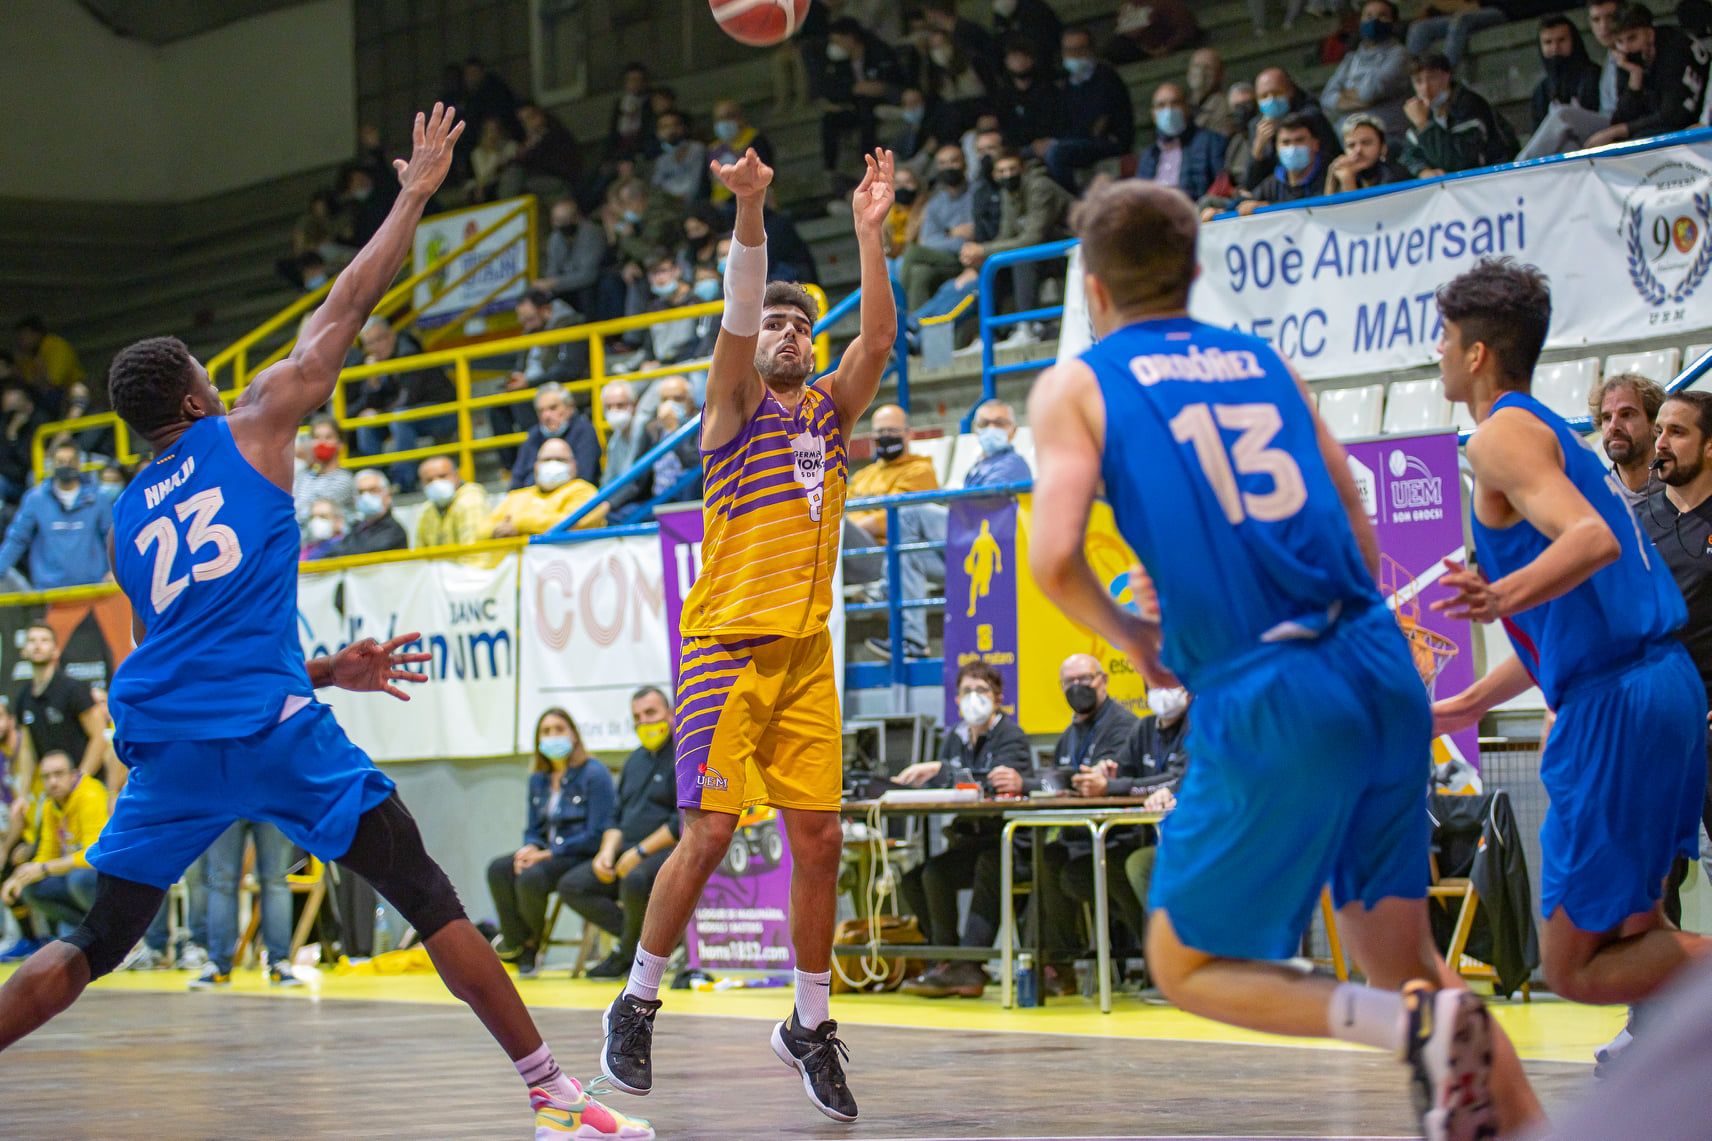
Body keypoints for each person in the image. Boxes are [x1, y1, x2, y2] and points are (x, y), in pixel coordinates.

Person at [0, 105, 650, 1141]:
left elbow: (190, 637)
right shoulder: (253, 422)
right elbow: (347, 303)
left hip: (173, 745)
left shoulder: (127, 518)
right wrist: (416, 191)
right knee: (425, 887)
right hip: (271, 731)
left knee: (99, 935)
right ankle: (551, 1093)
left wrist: (323, 665)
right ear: (198, 390)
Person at [1025, 181, 1544, 1138]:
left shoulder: (1079, 383)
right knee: (1411, 958)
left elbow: (1052, 558)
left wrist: (1140, 636)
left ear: (1091, 288)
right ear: (1193, 271)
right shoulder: (1264, 361)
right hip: (1377, 665)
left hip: (1272, 688)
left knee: (1186, 963)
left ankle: (1408, 1027)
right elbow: (1353, 514)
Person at [597, 145, 896, 1125]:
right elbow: (736, 310)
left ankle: (808, 1025)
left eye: (798, 323)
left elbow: (880, 342)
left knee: (819, 839)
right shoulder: (729, 408)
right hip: (725, 648)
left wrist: (870, 233)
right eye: (773, 319)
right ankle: (638, 999)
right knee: (713, 831)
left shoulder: (832, 410)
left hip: (805, 655)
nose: (785, 331)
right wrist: (752, 213)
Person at [1431, 259, 1712, 1028]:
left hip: (1616, 704)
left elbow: (1591, 542)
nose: (1440, 353)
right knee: (1637, 934)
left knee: (1574, 965)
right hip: (1657, 683)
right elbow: (1560, 626)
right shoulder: (1547, 433)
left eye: (1447, 338)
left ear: (1478, 353)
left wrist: (1497, 595)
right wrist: (1454, 705)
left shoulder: (1499, 440)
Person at [896, 662, 1039, 999]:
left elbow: (997, 781)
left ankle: (970, 964)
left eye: (982, 690)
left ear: (999, 697)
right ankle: (945, 961)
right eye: (967, 691)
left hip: (1009, 841)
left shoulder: (1011, 737)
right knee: (928, 874)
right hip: (970, 839)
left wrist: (941, 770)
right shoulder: (954, 739)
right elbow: (946, 787)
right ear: (957, 699)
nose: (974, 698)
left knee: (990, 865)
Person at [556, 688, 679, 980]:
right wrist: (606, 853)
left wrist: (638, 853)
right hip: (626, 850)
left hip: (665, 852)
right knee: (573, 884)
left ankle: (627, 955)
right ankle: (643, 943)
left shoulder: (683, 755)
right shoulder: (634, 761)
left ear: (671, 715)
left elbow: (681, 823)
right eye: (637, 717)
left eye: (651, 713)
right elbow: (615, 817)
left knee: (635, 878)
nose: (644, 722)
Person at [487, 709, 614, 978]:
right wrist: (531, 847)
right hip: (546, 853)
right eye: (546, 732)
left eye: (559, 729)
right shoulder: (538, 780)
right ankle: (516, 943)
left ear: (574, 736)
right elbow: (533, 829)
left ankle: (531, 946)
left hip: (578, 854)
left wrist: (547, 854)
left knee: (530, 878)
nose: (552, 736)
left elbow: (597, 832)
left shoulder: (594, 773)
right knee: (498, 869)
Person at [0, 752, 106, 937]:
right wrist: (20, 877)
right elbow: (47, 854)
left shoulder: (90, 794)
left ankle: (116, 931)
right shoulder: (50, 805)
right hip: (79, 876)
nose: (53, 782)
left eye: (59, 774)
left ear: (73, 774)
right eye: (46, 777)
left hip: (112, 877)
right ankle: (90, 934)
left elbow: (95, 856)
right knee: (32, 889)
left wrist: (43, 868)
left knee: (78, 879)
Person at [192, 818, 303, 989]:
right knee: (273, 882)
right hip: (262, 797)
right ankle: (278, 964)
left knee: (225, 883)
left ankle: (220, 966)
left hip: (235, 797)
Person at [351, 317, 456, 493]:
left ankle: (403, 481)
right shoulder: (374, 362)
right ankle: (376, 483)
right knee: (366, 424)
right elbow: (371, 404)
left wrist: (381, 413)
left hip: (443, 411)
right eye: (369, 343)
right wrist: (373, 383)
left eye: (379, 339)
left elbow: (409, 398)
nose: (376, 347)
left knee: (400, 418)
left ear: (391, 335)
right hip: (404, 415)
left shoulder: (409, 352)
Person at [1584, 3, 1710, 148]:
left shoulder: (1676, 48)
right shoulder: (1627, 59)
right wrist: (1634, 79)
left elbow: (1674, 116)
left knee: (1640, 139)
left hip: (1697, 127)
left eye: (1632, 38)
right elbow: (1620, 119)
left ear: (1649, 34)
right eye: (1619, 41)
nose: (1626, 47)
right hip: (1664, 128)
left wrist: (1621, 130)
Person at [495, 293, 592, 469]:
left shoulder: (569, 326)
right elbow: (521, 367)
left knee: (522, 401)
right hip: (532, 387)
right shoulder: (529, 333)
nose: (526, 324)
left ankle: (536, 456)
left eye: (529, 318)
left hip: (561, 388)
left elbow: (569, 368)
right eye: (522, 320)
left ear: (546, 310)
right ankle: (510, 467)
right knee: (496, 405)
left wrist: (530, 383)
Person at [1518, 0, 1625, 159]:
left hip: (1613, 130)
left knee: (1562, 115)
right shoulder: (1540, 91)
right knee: (1568, 145)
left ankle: (1518, 168)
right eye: (1548, 42)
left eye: (1561, 40)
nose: (1555, 48)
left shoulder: (1593, 73)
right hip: (1582, 146)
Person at [0, 441, 111, 590]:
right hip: (51, 591)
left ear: (79, 463)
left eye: (70, 461)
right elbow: (17, 539)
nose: (65, 465)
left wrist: (115, 571)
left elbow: (111, 538)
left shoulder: (98, 498)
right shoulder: (35, 499)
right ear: (52, 464)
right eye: (60, 461)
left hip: (93, 589)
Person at [13, 624, 108, 786]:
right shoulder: (23, 697)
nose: (37, 645)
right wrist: (23, 794)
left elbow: (99, 737)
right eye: (32, 640)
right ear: (24, 651)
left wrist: (80, 780)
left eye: (44, 640)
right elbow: (27, 750)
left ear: (56, 650)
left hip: (88, 786)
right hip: (53, 790)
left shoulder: (73, 689)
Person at [1397, 53, 1518, 178]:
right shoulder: (1420, 109)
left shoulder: (1469, 105)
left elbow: (1458, 162)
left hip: (1494, 178)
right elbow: (1408, 156)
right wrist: (1422, 171)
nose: (1425, 88)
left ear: (1446, 76)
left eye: (1432, 78)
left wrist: (1424, 126)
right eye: (1418, 81)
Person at [1041, 29, 1134, 191]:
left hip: (1108, 142)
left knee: (1055, 153)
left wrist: (1059, 142)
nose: (1074, 55)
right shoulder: (1067, 84)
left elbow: (1097, 127)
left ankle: (1076, 201)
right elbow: (1061, 122)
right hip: (1074, 140)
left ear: (1091, 50)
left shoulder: (1106, 78)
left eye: (1079, 49)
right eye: (1069, 51)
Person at [821, 18, 904, 180]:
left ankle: (865, 158)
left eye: (838, 40)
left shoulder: (878, 51)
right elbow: (833, 89)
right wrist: (853, 90)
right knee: (829, 119)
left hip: (880, 102)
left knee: (867, 110)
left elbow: (891, 80)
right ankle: (830, 168)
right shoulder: (839, 63)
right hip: (853, 104)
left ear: (850, 38)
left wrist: (876, 87)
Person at [1320, 0, 1413, 143]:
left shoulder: (1399, 55)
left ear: (1394, 23)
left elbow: (1370, 92)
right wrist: (1361, 98)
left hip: (1387, 137)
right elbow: (1327, 97)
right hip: (1347, 139)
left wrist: (1345, 95)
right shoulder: (1351, 58)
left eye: (1382, 16)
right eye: (1368, 16)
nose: (1374, 20)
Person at [900, 145, 977, 310]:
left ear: (965, 163)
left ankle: (896, 312)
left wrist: (946, 237)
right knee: (920, 273)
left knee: (912, 252)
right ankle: (914, 328)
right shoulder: (935, 203)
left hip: (972, 255)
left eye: (953, 161)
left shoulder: (977, 193)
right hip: (945, 258)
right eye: (943, 163)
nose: (948, 167)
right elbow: (927, 241)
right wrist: (951, 233)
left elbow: (975, 233)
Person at [1244, 68, 1342, 196]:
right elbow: (1251, 186)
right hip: (1277, 193)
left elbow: (1332, 158)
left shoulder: (1311, 117)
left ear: (1290, 91)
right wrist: (1257, 152)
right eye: (1264, 96)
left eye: (1277, 93)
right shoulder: (1256, 126)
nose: (1271, 100)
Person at [484, 438, 608, 538]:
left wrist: (520, 524)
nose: (552, 464)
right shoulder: (517, 496)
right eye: (546, 460)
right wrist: (495, 530)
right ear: (536, 466)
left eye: (560, 460)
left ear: (574, 466)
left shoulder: (584, 491)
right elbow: (482, 528)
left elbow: (573, 523)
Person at [1136, 83, 1228, 204]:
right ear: (1153, 114)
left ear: (1186, 107)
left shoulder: (1210, 142)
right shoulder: (1148, 155)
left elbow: (1221, 186)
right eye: (1161, 105)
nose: (1168, 110)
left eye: (1174, 103)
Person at [510, 382, 602, 493]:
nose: (546, 416)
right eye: (541, 411)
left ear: (570, 407)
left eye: (553, 408)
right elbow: (517, 480)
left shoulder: (584, 431)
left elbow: (585, 476)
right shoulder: (534, 436)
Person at [1590, 372, 1664, 506]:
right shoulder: (1591, 501)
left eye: (1626, 414)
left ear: (1655, 424)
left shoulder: (1685, 496)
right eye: (1607, 418)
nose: (1613, 426)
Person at [1237, 114, 1328, 214]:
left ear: (1315, 144)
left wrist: (1270, 207)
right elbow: (1241, 205)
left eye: (1299, 140)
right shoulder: (1272, 184)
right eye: (1286, 142)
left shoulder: (1329, 176)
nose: (1293, 148)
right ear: (1277, 148)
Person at [533, 197, 608, 317]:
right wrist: (548, 284)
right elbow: (552, 272)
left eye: (567, 219)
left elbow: (588, 276)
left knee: (586, 292)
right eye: (558, 220)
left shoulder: (591, 233)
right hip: (565, 285)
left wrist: (554, 283)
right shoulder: (555, 238)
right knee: (533, 294)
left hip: (592, 284)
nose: (563, 224)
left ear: (577, 217)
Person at [326, 469, 409, 557]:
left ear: (388, 496)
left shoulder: (394, 532)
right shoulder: (355, 527)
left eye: (373, 491)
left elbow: (363, 554)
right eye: (360, 492)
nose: (365, 497)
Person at [707, 101, 776, 207]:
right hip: (721, 205)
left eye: (729, 116)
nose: (725, 122)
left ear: (740, 118)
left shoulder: (755, 140)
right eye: (720, 118)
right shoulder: (713, 149)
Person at [414, 455, 490, 548]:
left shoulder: (470, 500)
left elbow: (473, 551)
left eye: (442, 476)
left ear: (456, 475)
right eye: (429, 480)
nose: (436, 483)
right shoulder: (426, 510)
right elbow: (420, 554)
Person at [292, 416, 356, 526]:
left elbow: (318, 510)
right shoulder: (303, 476)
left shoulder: (344, 479)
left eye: (328, 437)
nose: (322, 443)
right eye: (316, 437)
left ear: (340, 444)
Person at [1407, 0, 1509, 68]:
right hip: (1464, 12)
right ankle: (1418, 82)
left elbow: (1473, 6)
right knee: (1419, 28)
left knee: (1461, 20)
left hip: (1497, 10)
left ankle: (1445, 75)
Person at [1325, 113, 1409, 195]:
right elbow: (1327, 207)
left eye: (1366, 143)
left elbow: (1366, 209)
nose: (1358, 150)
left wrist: (1348, 181)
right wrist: (1332, 180)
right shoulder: (1349, 172)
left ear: (1383, 147)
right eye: (1351, 145)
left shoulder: (1396, 176)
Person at [1104, 0, 1202, 63]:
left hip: (1162, 48)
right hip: (1134, 51)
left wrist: (1167, 48)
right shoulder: (1128, 6)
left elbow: (1187, 29)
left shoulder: (1167, 5)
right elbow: (1122, 33)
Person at [964, 398, 1032, 487]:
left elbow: (984, 499)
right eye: (984, 423)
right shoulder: (980, 464)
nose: (991, 428)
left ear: (1014, 431)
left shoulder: (1011, 466)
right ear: (975, 430)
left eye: (999, 423)